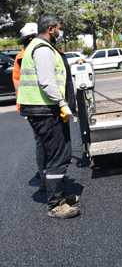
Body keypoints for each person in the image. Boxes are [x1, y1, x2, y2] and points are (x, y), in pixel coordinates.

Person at [17, 14, 80, 219]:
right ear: (51, 29)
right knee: (58, 156)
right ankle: (55, 204)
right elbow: (46, 81)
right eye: (59, 28)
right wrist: (62, 103)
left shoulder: (37, 46)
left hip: (41, 109)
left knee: (52, 153)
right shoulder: (43, 49)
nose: (60, 32)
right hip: (46, 110)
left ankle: (57, 195)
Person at [13, 22, 48, 192]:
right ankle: (46, 177)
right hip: (40, 105)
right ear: (32, 38)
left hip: (30, 105)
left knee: (41, 142)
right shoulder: (34, 54)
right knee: (44, 143)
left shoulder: (21, 55)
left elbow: (17, 83)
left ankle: (45, 173)